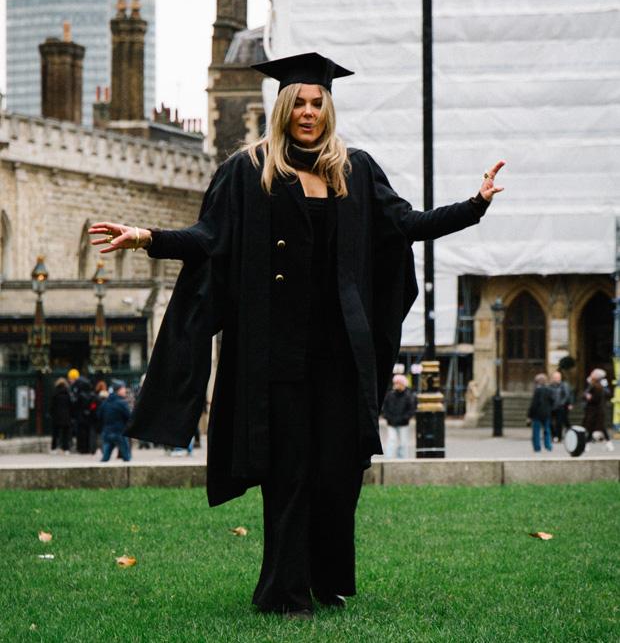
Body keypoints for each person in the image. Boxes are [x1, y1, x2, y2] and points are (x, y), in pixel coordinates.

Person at [89, 51, 504, 617]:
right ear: (282, 107)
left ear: (328, 109)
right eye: (299, 103)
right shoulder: (247, 171)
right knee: (288, 473)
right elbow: (208, 239)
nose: (308, 112)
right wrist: (146, 237)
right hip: (275, 357)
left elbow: (407, 226)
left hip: (340, 356)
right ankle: (283, 593)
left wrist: (475, 205)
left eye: (317, 103)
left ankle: (327, 580)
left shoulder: (355, 171)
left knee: (338, 471)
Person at [381, 374, 416, 458]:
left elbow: (411, 409)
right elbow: (385, 408)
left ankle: (402, 459)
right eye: (395, 383)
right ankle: (388, 459)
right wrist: (388, 417)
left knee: (403, 442)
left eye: (398, 383)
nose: (396, 385)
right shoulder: (390, 395)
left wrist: (404, 418)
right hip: (391, 422)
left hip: (403, 423)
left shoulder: (408, 396)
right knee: (391, 440)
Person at [99, 380, 132, 462]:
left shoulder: (106, 402)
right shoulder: (121, 403)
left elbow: (99, 415)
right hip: (119, 432)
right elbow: (129, 417)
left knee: (105, 458)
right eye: (123, 388)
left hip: (107, 432)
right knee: (127, 457)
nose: (125, 390)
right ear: (119, 390)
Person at [583, 368, 613, 451]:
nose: (591, 374)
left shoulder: (602, 384)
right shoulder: (590, 382)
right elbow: (586, 393)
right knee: (591, 427)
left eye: (593, 373)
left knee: (600, 427)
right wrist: (586, 395)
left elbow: (607, 393)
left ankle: (608, 443)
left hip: (598, 409)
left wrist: (603, 387)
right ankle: (587, 444)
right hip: (593, 409)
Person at [527, 373, 554, 452]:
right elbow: (552, 401)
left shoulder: (537, 390)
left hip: (537, 414)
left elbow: (534, 404)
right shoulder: (549, 389)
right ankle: (548, 446)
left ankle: (537, 447)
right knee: (547, 430)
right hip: (546, 413)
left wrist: (529, 415)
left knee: (536, 431)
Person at [549, 369, 573, 442]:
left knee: (560, 422)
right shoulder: (550, 386)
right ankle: (554, 435)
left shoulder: (564, 385)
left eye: (557, 377)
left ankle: (559, 437)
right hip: (552, 407)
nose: (556, 379)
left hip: (561, 407)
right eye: (555, 377)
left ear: (560, 378)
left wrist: (567, 403)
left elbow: (567, 395)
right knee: (550, 422)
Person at [49, 377, 72, 454]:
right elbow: (70, 405)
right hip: (66, 415)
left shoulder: (55, 393)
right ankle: (66, 449)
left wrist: (51, 414)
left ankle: (53, 448)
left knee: (55, 434)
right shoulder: (67, 393)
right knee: (66, 434)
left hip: (56, 416)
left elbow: (52, 405)